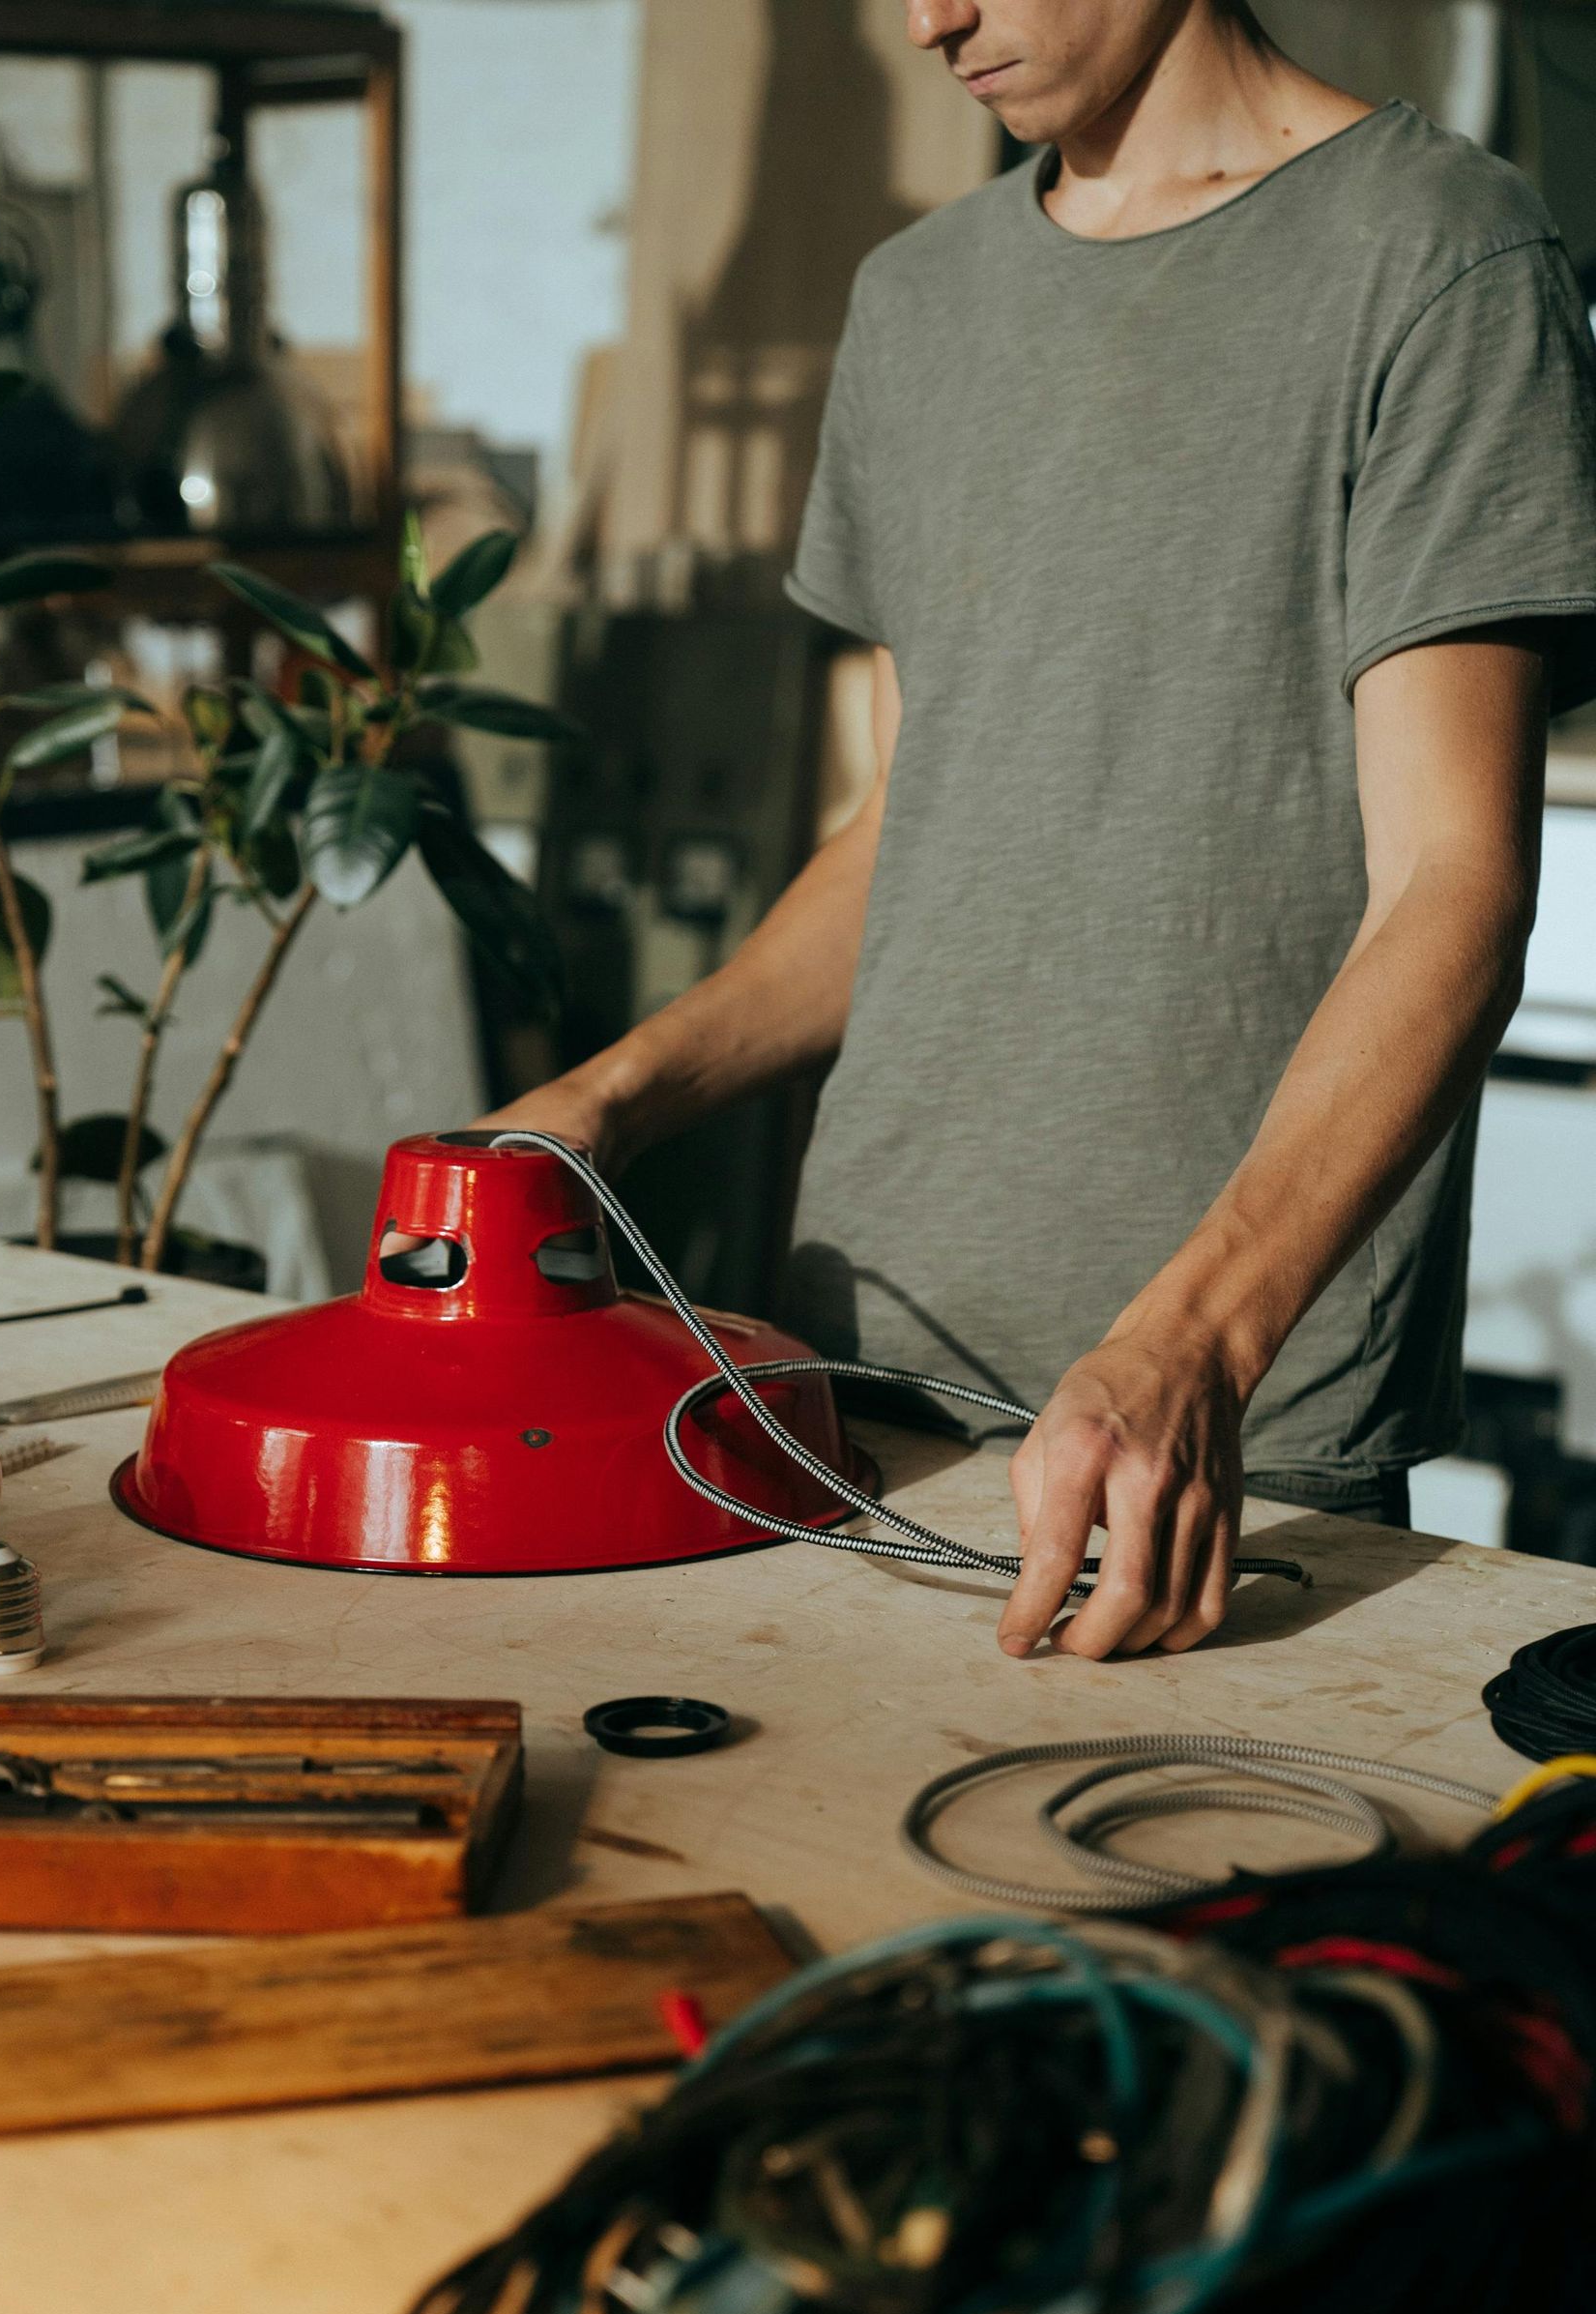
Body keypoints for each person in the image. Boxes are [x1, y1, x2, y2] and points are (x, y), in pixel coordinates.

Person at [483, 0, 1596, 1660]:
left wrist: (1197, 1348)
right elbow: (903, 840)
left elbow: (1454, 889)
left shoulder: (1438, 253)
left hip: (1221, 1422)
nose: (932, 20)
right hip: (849, 1357)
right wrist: (606, 1099)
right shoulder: (917, 300)